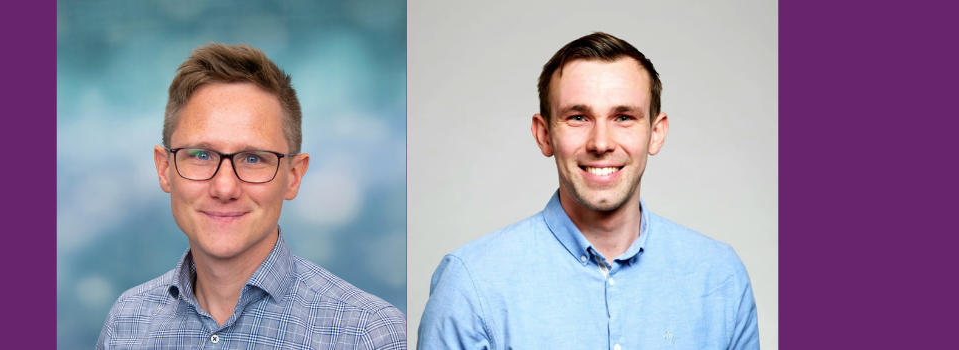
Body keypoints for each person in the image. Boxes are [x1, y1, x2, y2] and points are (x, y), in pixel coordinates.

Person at [417, 32, 759, 349]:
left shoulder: (720, 277)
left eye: (623, 117)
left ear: (656, 133)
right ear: (544, 134)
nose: (600, 143)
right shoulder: (471, 283)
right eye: (578, 117)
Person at [96, 43, 405, 350]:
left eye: (253, 158)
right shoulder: (127, 321)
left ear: (293, 176)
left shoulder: (369, 335)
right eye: (201, 155)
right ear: (165, 169)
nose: (225, 188)